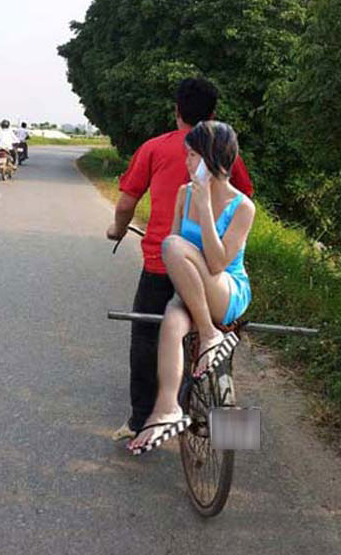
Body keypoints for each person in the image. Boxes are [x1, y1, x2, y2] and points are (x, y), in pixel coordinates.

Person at [106, 78, 253, 441]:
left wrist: (117, 230)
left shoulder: (154, 148)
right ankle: (227, 433)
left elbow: (126, 204)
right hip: (206, 271)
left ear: (177, 111)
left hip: (167, 267)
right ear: (213, 114)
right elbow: (242, 197)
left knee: (145, 336)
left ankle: (139, 422)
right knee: (221, 346)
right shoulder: (224, 154)